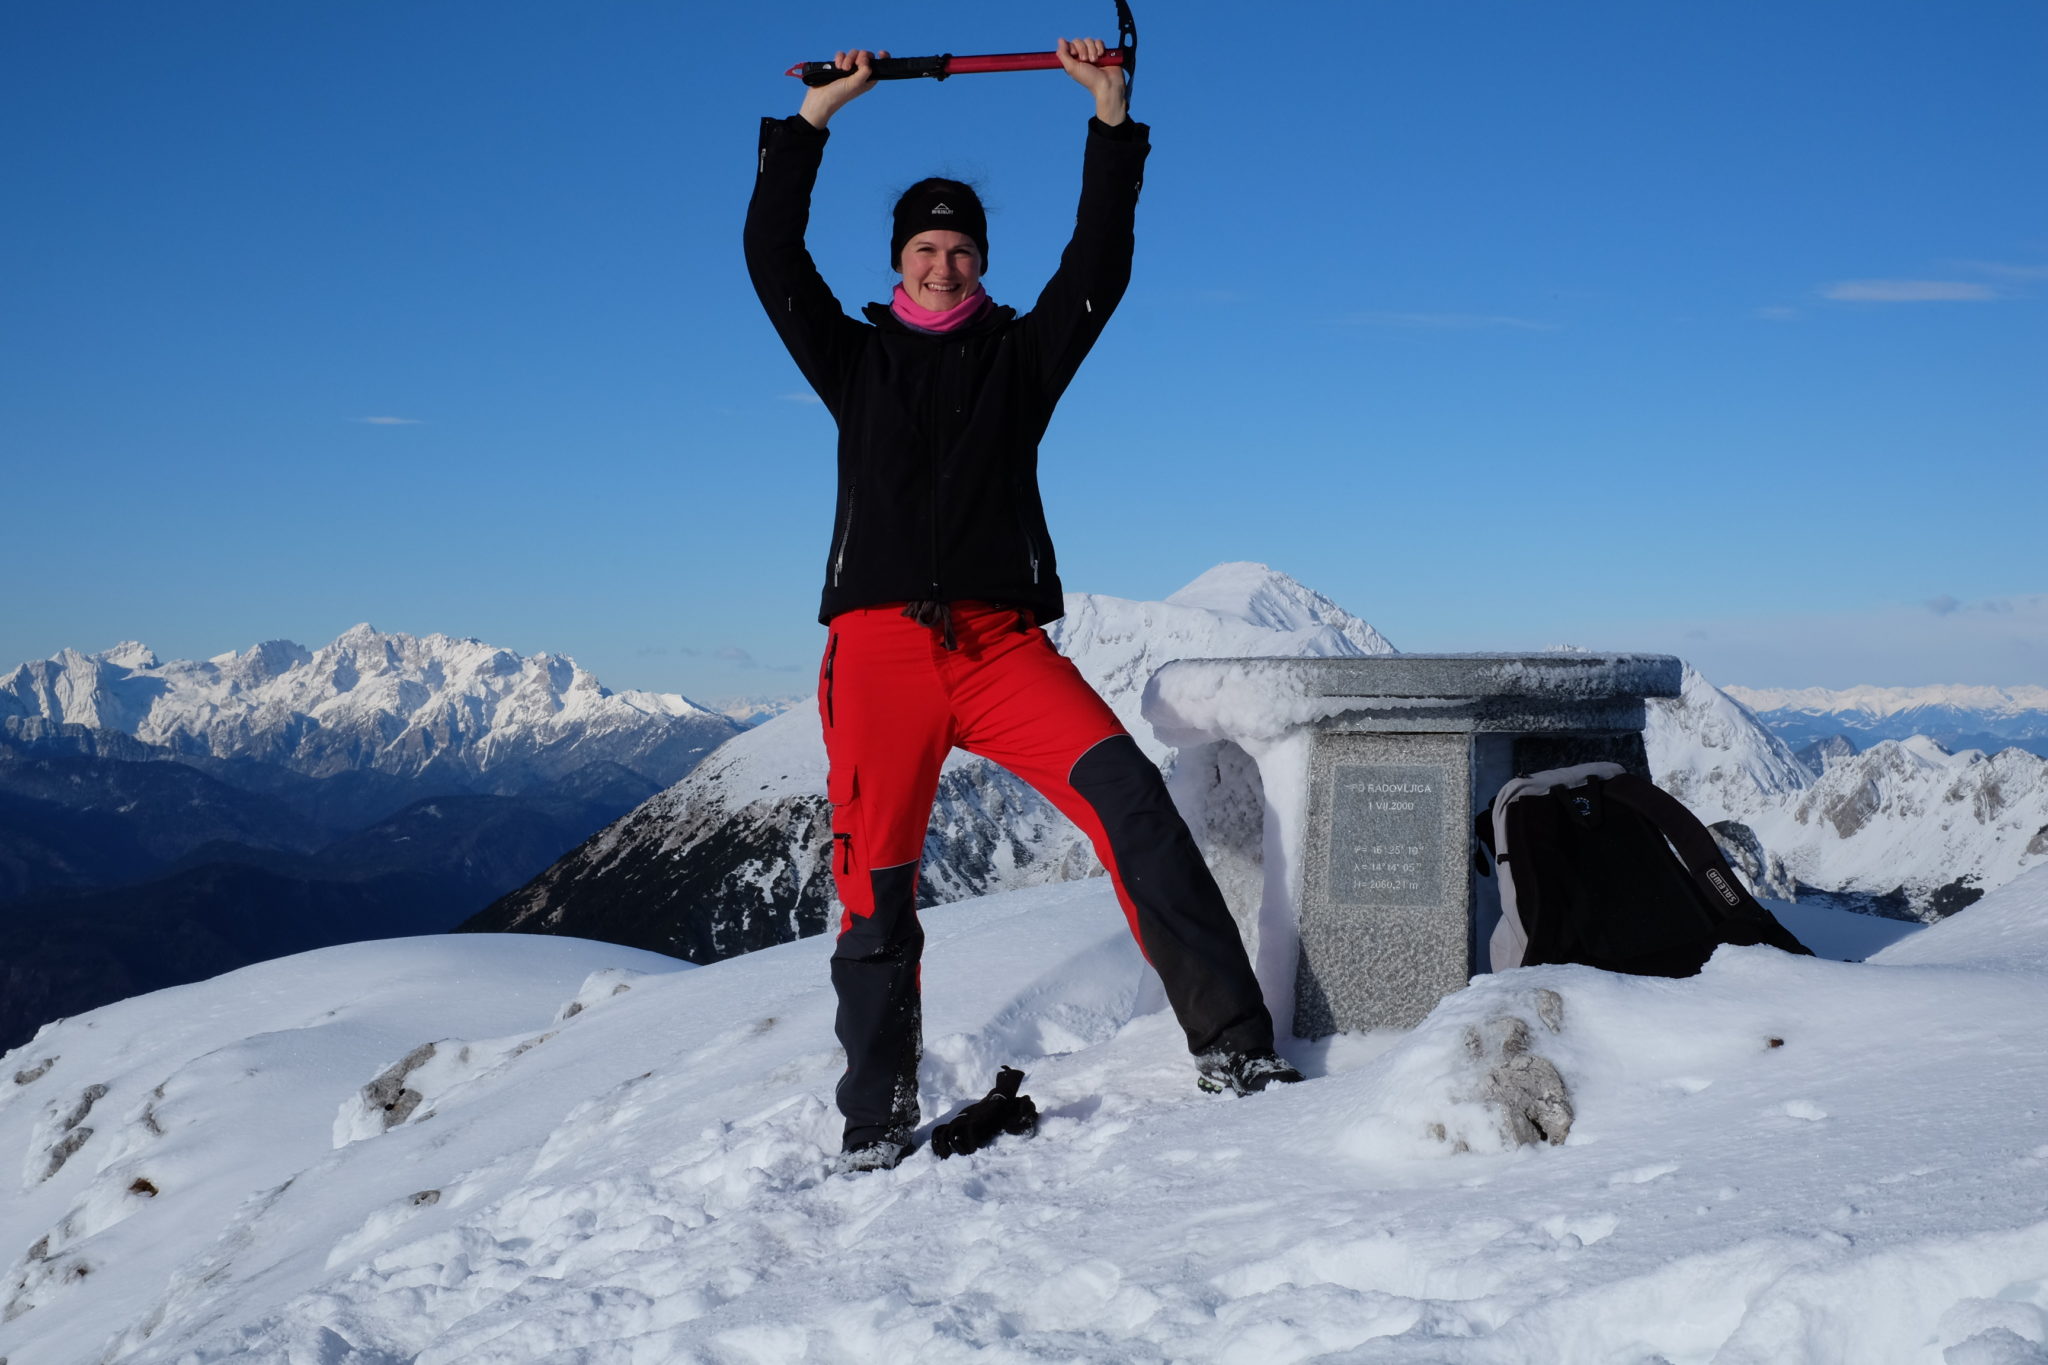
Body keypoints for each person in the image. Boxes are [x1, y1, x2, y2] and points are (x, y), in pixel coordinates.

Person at [744, 39, 1301, 1172]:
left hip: (1002, 649)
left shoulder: (1020, 358)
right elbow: (770, 254)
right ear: (896, 262)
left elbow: (1098, 261)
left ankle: (1235, 1046)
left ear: (979, 264)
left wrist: (1110, 120)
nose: (941, 264)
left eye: (958, 249)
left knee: (1134, 809)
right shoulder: (851, 363)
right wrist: (813, 119)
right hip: (880, 656)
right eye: (923, 247)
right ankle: (873, 1122)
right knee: (873, 890)